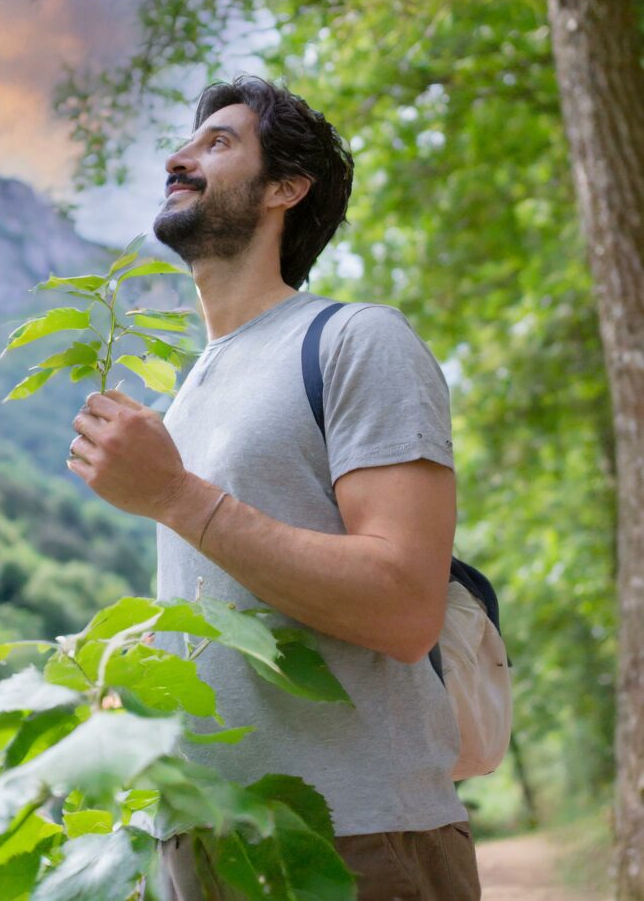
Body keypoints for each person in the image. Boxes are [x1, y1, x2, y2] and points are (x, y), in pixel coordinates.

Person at [65, 73, 480, 900]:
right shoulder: (185, 395)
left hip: (352, 841)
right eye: (186, 143)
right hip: (198, 848)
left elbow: (403, 606)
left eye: (218, 143)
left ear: (286, 188)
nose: (180, 159)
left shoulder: (356, 340)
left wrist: (176, 495)